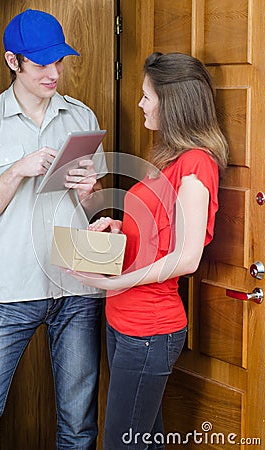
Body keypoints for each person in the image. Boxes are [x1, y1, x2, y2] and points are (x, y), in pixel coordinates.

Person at [0, 9, 107, 450]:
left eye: (59, 61)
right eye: (41, 64)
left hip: (77, 286)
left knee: (78, 430)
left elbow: (95, 212)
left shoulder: (81, 117)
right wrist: (17, 171)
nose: (54, 73)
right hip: (9, 290)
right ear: (12, 61)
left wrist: (90, 191)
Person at [69, 52, 228, 449]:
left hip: (149, 330)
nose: (140, 104)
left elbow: (186, 257)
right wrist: (120, 227)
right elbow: (161, 234)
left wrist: (118, 280)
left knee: (122, 444)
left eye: (146, 96)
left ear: (171, 103)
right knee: (144, 441)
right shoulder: (168, 158)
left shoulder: (196, 165)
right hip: (122, 321)